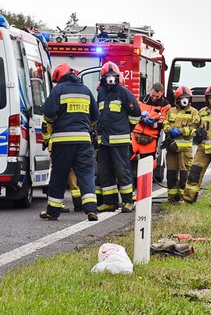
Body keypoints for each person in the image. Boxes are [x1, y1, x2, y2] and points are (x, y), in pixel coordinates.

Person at [39, 63, 99, 221]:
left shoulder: (58, 90)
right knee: (86, 175)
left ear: (59, 77)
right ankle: (91, 210)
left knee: (59, 176)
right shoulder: (86, 90)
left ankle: (53, 211)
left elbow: (49, 114)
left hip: (63, 141)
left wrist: (54, 120)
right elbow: (95, 116)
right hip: (84, 141)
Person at [95, 61, 141, 213]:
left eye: (112, 76)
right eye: (107, 76)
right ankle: (110, 202)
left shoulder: (124, 93)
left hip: (119, 141)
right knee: (104, 171)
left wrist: (127, 129)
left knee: (122, 171)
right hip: (103, 141)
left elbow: (136, 114)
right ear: (103, 78)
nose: (110, 79)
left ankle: (128, 201)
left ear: (117, 77)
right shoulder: (101, 93)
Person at [162, 85, 200, 203]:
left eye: (187, 98)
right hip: (172, 149)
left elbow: (195, 129)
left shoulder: (194, 112)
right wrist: (169, 130)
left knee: (185, 175)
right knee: (171, 174)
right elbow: (165, 124)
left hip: (185, 150)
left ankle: (185, 198)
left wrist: (181, 131)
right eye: (182, 97)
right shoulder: (171, 111)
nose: (184, 100)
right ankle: (172, 198)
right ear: (177, 99)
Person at [131, 82, 171, 181]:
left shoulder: (165, 105)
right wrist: (141, 118)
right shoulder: (140, 100)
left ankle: (144, 190)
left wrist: (152, 123)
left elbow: (163, 122)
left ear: (162, 93)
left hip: (150, 139)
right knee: (125, 160)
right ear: (150, 90)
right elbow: (132, 114)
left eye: (157, 96)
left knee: (147, 166)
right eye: (153, 95)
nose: (154, 98)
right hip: (135, 136)